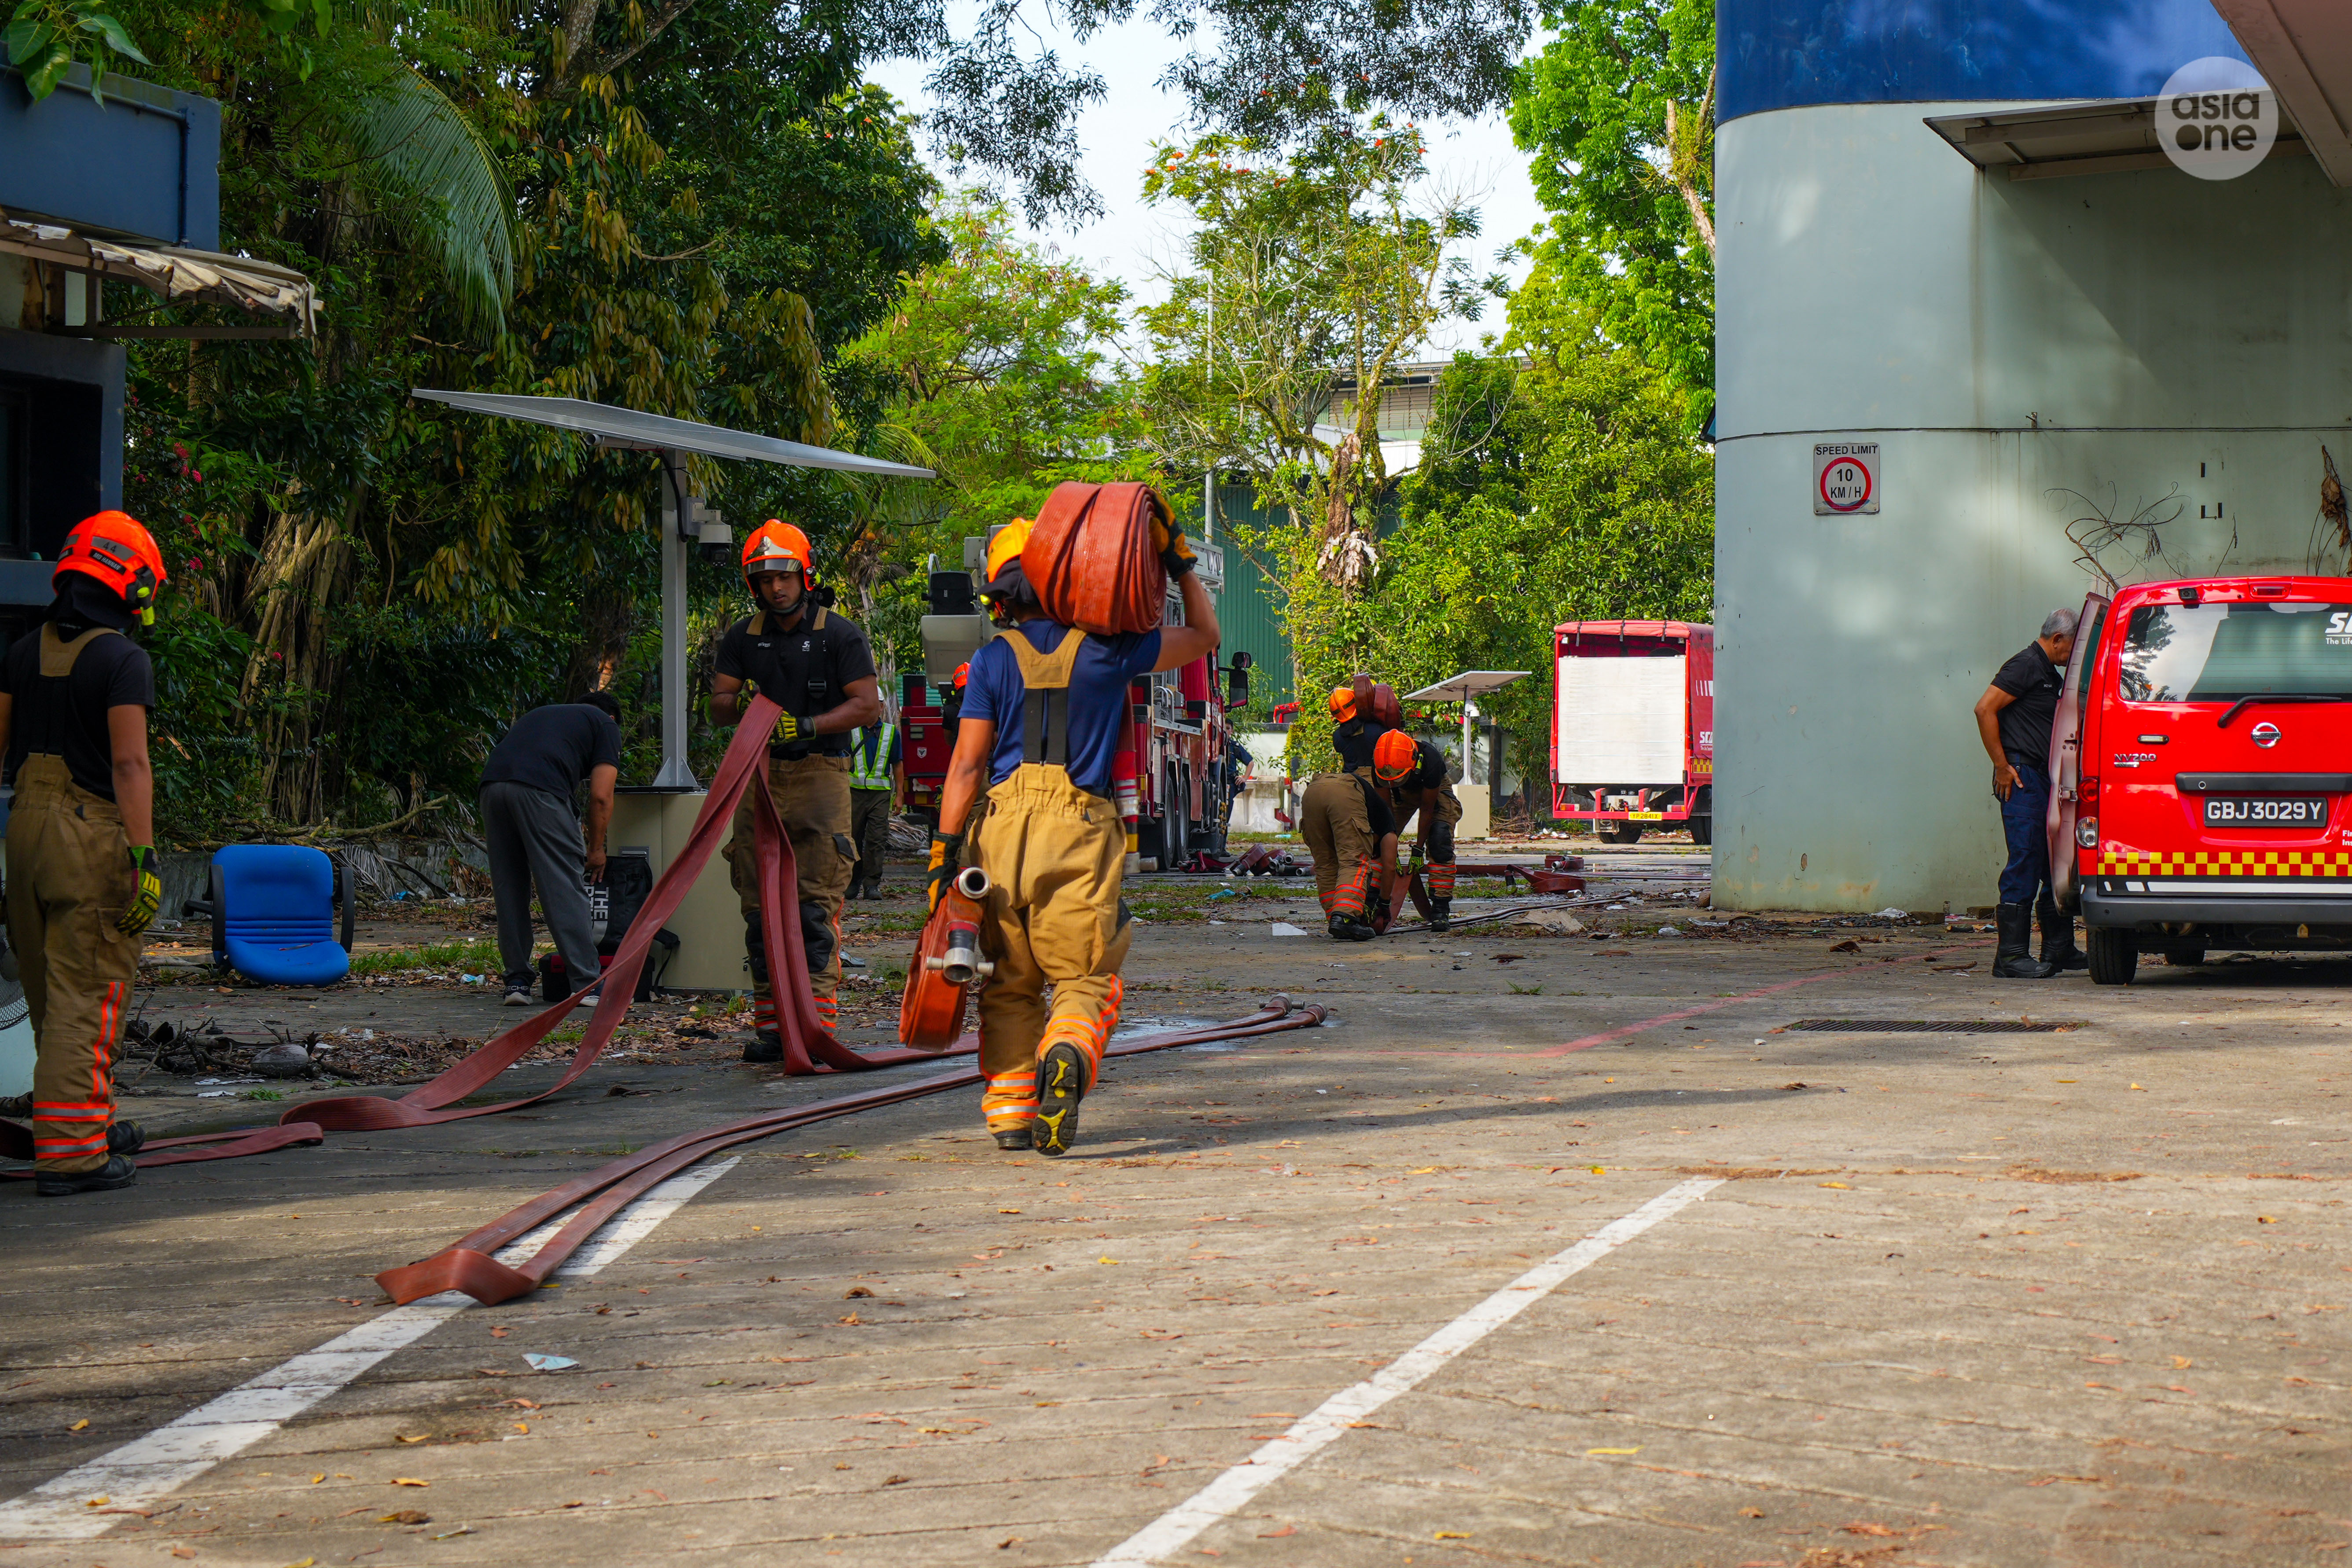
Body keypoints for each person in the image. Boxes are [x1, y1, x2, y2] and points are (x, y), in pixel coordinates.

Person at [933, 510, 1219, 1156]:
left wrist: (941, 856)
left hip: (1000, 833)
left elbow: (967, 766)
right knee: (1087, 974)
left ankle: (1010, 1110)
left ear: (999, 595)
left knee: (1008, 978)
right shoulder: (1107, 651)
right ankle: (1066, 1050)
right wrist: (1179, 563)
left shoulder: (989, 661)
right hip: (1080, 829)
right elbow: (1204, 635)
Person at [0, 512, 166, 1195]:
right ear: (130, 583)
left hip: (26, 833)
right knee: (89, 990)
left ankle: (83, 1120)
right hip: (88, 834)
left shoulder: (20, 650)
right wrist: (145, 856)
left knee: (48, 985)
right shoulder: (123, 660)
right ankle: (72, 1152)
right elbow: (129, 764)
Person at [710, 521, 882, 1060]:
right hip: (757, 776)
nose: (776, 587)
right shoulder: (742, 636)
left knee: (813, 906)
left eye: (784, 576)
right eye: (765, 579)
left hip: (819, 774)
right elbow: (719, 704)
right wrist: (748, 709)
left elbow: (867, 706)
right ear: (753, 584)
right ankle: (771, 1027)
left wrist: (807, 725)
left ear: (803, 574)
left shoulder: (840, 635)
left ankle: (817, 1024)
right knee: (760, 911)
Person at [478, 691, 623, 1006]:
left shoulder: (548, 714)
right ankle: (587, 983)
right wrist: (596, 849)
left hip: (493, 787)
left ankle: (517, 981)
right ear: (612, 718)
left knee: (509, 886)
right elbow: (601, 795)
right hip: (540, 791)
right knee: (563, 886)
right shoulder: (606, 725)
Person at [1973, 607, 2081, 978]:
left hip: (2044, 777)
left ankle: (2059, 948)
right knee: (2025, 859)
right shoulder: (2025, 665)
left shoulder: (2048, 673)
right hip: (2022, 778)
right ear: (2057, 639)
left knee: (2054, 863)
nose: (2074, 654)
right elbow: (1984, 709)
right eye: (2072, 645)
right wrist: (2002, 765)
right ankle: (2011, 957)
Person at [1300, 686, 1403, 940]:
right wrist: (1384, 904)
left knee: (1326, 864)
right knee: (1354, 860)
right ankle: (1346, 916)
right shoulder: (1386, 825)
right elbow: (1388, 865)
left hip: (1316, 789)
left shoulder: (1339, 738)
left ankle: (1336, 915)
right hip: (1351, 791)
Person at [1376, 729, 1463, 933]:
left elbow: (1427, 809)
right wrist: (1390, 849)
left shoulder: (1430, 761)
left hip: (1434, 791)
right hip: (1399, 795)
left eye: (1398, 776)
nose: (1394, 779)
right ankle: (1375, 903)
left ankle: (1441, 909)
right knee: (1376, 842)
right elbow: (1385, 811)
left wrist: (1418, 849)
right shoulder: (1382, 765)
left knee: (1440, 838)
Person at [845, 711, 903, 900]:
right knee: (853, 838)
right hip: (854, 793)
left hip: (880, 795)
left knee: (877, 839)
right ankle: (853, 882)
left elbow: (898, 764)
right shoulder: (851, 731)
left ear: (880, 707)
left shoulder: (891, 732)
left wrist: (900, 794)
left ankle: (872, 885)